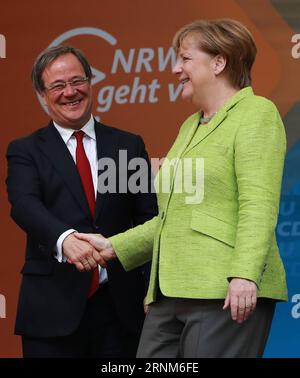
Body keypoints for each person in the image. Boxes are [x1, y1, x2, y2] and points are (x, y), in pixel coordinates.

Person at [76, 19, 288, 358]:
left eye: (185, 59)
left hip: (225, 290)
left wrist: (245, 275)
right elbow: (174, 218)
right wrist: (113, 246)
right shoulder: (190, 124)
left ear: (219, 62)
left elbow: (258, 204)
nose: (175, 69)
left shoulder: (256, 113)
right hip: (170, 293)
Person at [6, 45, 157, 358]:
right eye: (58, 86)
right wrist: (65, 240)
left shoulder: (128, 145)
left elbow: (148, 219)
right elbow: (24, 204)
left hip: (121, 309)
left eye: (78, 81)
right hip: (51, 310)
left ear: (91, 82)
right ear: (42, 95)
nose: (70, 92)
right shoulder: (25, 150)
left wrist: (151, 288)